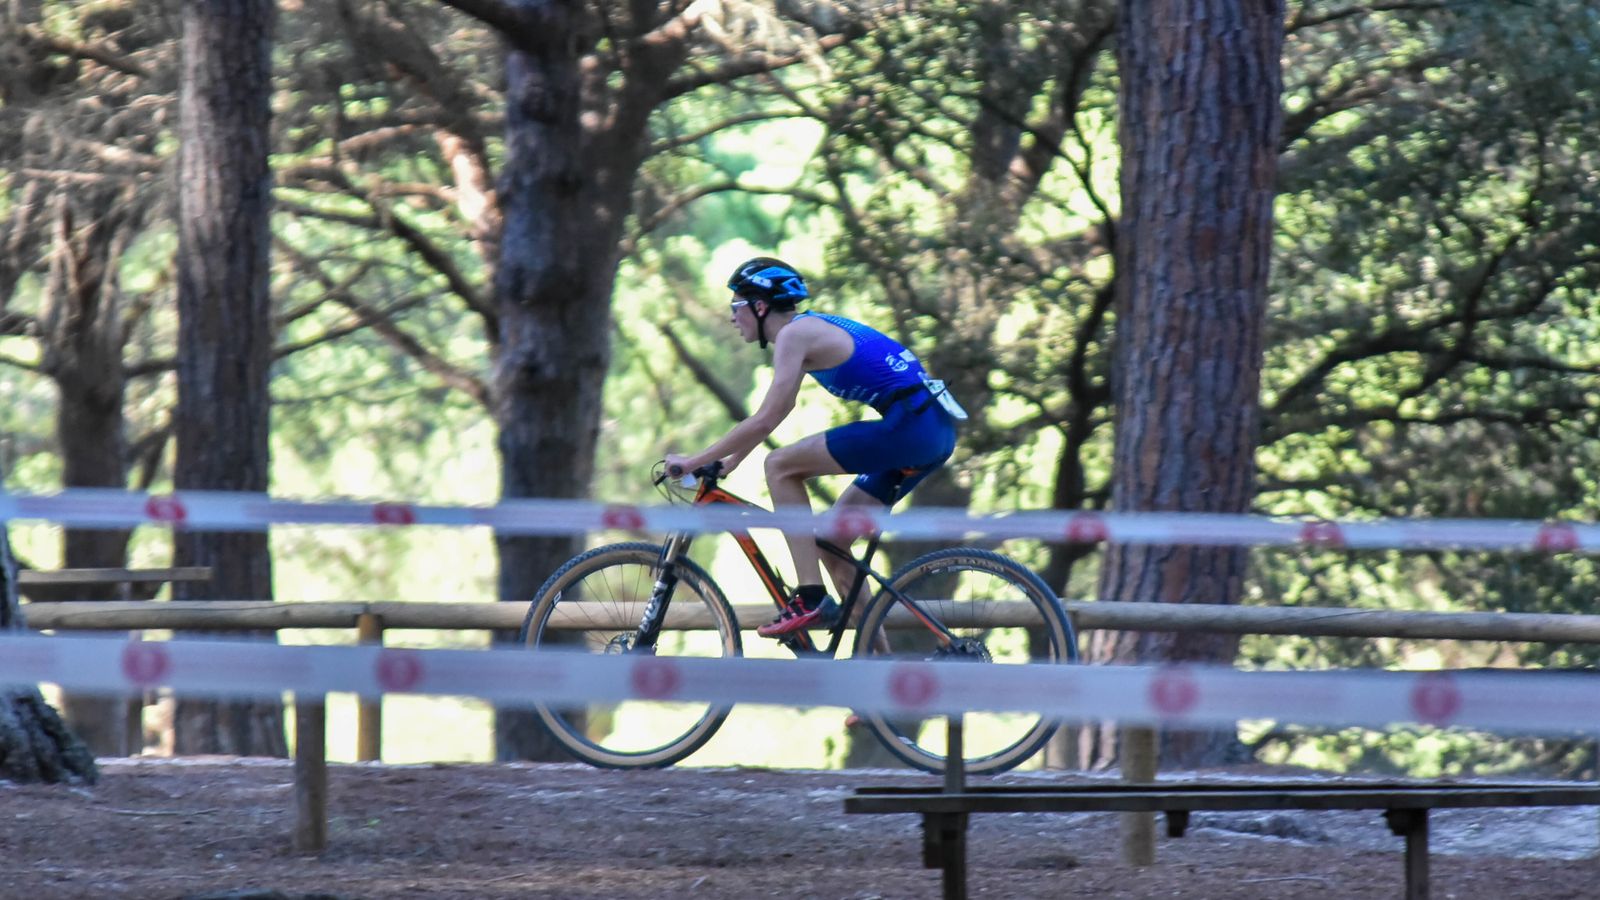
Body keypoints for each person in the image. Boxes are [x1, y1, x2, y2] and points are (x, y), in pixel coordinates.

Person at [666, 257, 966, 638]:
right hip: (929, 430)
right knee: (830, 540)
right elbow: (775, 414)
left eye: (736, 307)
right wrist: (728, 462)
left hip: (910, 426)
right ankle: (876, 674)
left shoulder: (795, 335)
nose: (731, 318)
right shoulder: (808, 330)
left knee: (779, 466)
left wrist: (692, 461)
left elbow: (763, 420)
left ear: (760, 307)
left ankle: (809, 597)